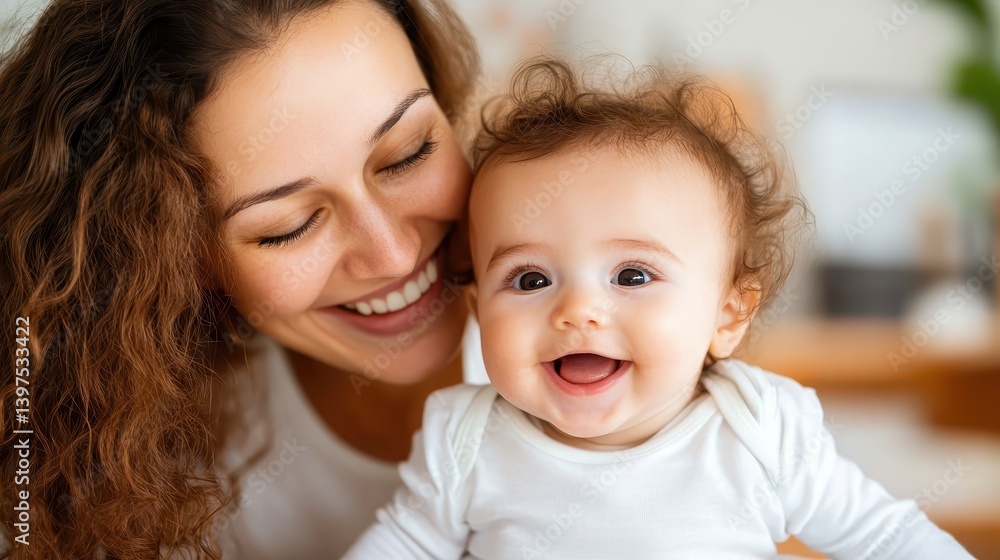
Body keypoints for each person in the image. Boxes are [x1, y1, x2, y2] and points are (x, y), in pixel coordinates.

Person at [343, 57, 975, 559]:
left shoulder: (758, 432)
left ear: (728, 315)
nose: (578, 309)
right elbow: (405, 542)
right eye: (530, 279)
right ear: (480, 310)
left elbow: (886, 537)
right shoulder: (467, 444)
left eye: (633, 274)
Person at [0, 0, 483, 558]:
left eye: (408, 154)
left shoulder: (596, 280)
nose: (394, 256)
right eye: (287, 228)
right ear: (175, 256)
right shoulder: (129, 483)